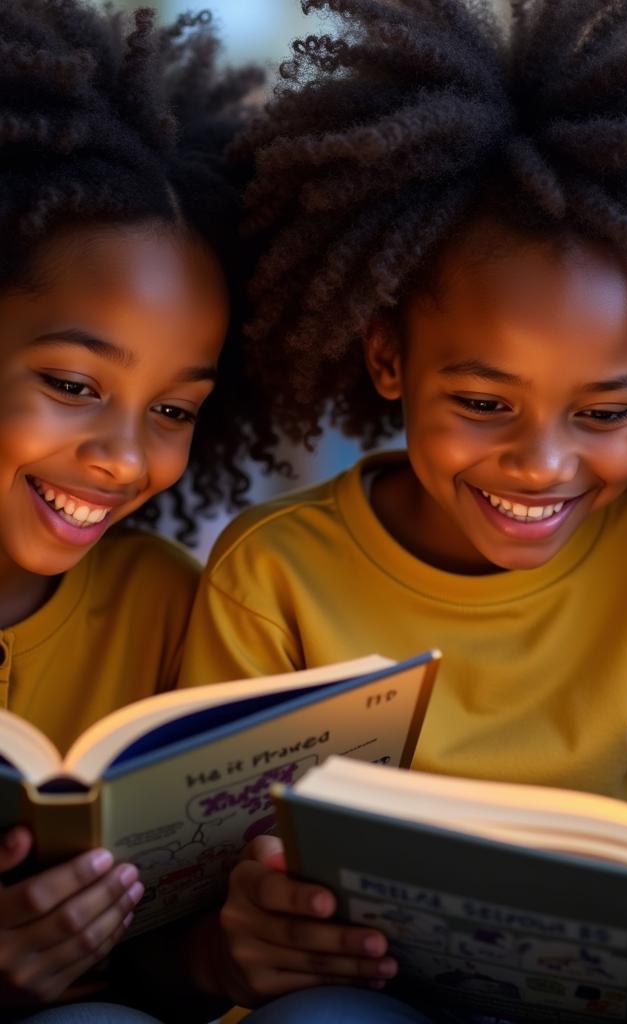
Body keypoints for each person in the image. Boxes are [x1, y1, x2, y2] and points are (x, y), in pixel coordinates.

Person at [174, 1, 627, 1019]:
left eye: (603, 410)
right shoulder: (273, 575)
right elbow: (212, 907)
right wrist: (259, 931)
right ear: (388, 359)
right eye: (480, 403)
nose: (543, 463)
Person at [0, 1, 259, 1018]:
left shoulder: (170, 610)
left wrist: (220, 961)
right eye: (72, 383)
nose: (121, 456)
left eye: (174, 409)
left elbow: (166, 964)